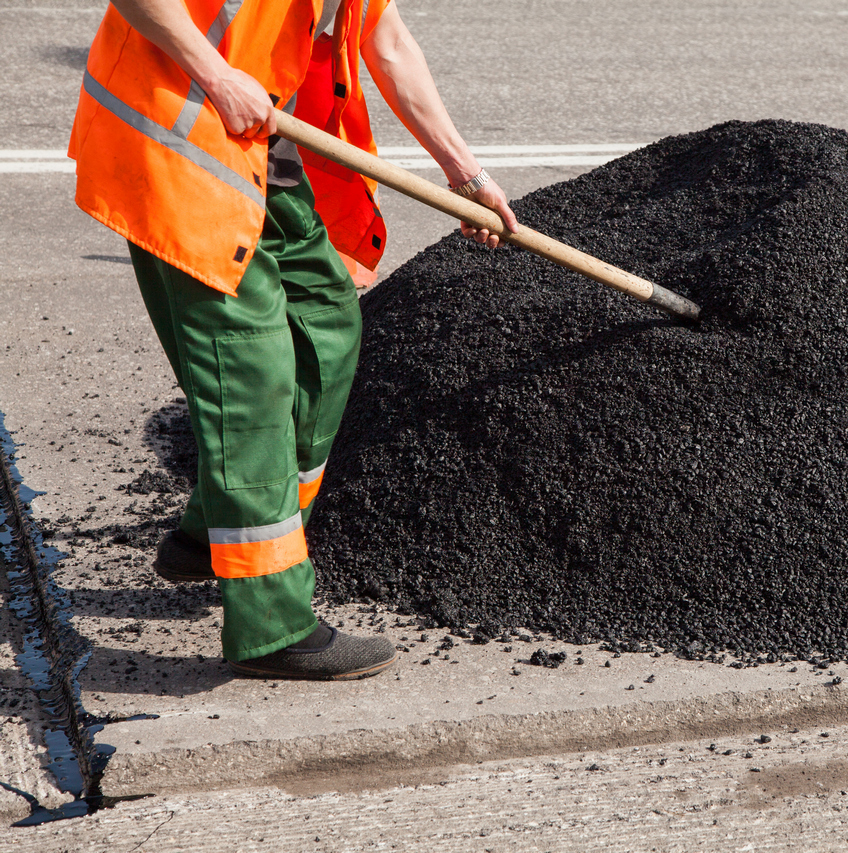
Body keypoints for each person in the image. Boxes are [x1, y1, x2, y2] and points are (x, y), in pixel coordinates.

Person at [68, 0, 519, 680]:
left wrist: (465, 174)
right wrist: (215, 75)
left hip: (254, 141)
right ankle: (271, 623)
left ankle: (208, 534)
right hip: (178, 136)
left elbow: (385, 39)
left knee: (325, 325)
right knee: (251, 373)